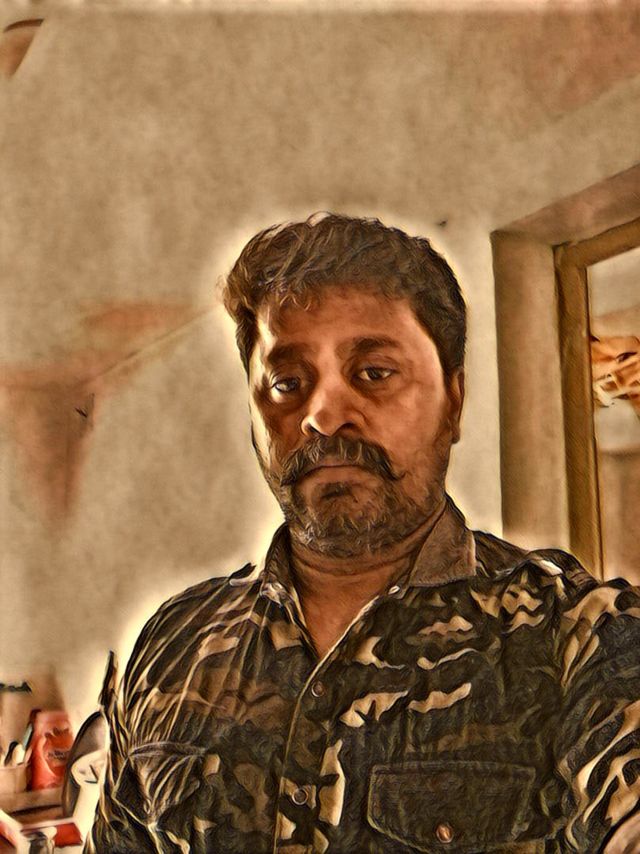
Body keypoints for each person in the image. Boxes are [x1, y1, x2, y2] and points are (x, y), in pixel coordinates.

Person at [86, 213, 640, 853]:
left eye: (374, 372)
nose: (322, 416)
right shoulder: (170, 646)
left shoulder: (578, 636)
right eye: (287, 383)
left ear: (454, 401)